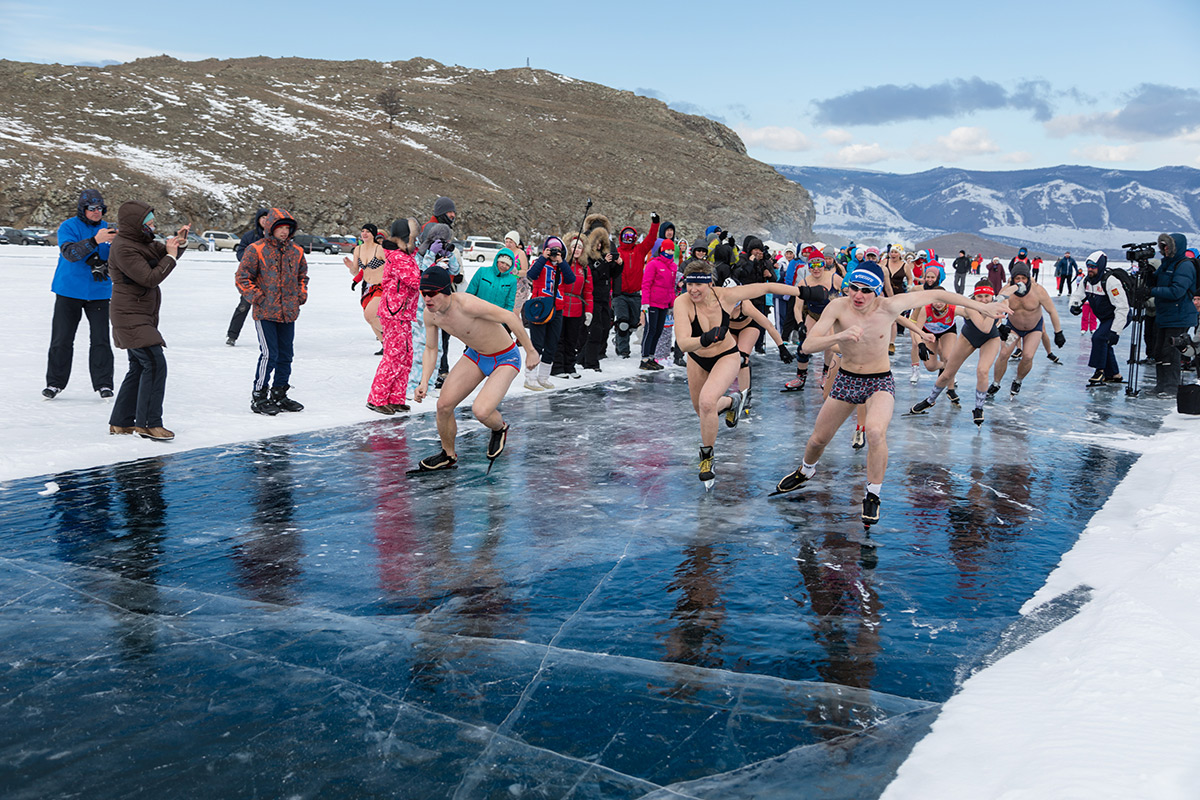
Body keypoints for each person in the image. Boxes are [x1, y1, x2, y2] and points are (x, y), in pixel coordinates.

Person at [774, 268, 1005, 526]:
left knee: (874, 432)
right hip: (847, 379)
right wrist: (839, 336)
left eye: (866, 291)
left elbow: (939, 294)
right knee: (819, 439)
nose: (858, 295)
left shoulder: (890, 305)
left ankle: (873, 494)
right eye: (853, 288)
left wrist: (981, 308)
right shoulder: (838, 307)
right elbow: (807, 345)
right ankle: (806, 470)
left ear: (877, 293)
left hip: (879, 380)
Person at [673, 261, 805, 486]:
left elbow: (767, 288)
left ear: (710, 283)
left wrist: (803, 291)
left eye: (699, 284)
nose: (693, 289)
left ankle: (707, 457)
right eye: (689, 284)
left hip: (726, 355)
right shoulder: (682, 302)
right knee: (702, 410)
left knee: (706, 403)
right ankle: (731, 402)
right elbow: (684, 344)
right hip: (697, 357)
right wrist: (704, 339)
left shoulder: (728, 296)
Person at [412, 266, 540, 471]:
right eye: (423, 293)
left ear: (446, 290)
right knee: (443, 406)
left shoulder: (467, 304)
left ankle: (500, 428)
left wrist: (531, 350)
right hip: (476, 355)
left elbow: (508, 316)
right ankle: (448, 454)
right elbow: (431, 347)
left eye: (432, 293)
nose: (427, 299)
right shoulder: (431, 315)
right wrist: (424, 381)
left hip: (505, 357)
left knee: (481, 411)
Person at [107, 202, 188, 441]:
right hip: (130, 314)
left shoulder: (141, 243)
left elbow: (162, 253)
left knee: (139, 366)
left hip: (140, 313)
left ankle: (121, 423)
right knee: (154, 364)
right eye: (150, 223)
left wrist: (177, 245)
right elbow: (150, 278)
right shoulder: (124, 248)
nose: (154, 227)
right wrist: (172, 257)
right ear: (137, 225)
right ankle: (148, 424)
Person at [235, 208, 309, 415]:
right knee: (270, 354)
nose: (284, 232)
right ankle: (259, 394)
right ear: (271, 228)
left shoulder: (297, 251)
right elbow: (242, 277)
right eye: (280, 228)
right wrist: (257, 297)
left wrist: (301, 294)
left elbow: (303, 276)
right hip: (265, 312)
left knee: (286, 354)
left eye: (288, 228)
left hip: (289, 311)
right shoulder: (256, 249)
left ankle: (279, 392)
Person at [43, 188, 116, 399]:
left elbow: (122, 257)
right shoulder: (69, 226)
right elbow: (69, 253)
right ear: (82, 209)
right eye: (92, 208)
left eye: (100, 208)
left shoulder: (109, 229)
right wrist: (95, 242)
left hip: (99, 292)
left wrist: (105, 264)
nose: (97, 212)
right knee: (62, 339)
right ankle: (55, 383)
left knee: (101, 339)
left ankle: (104, 384)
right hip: (69, 290)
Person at [909, 280, 1010, 426]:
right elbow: (983, 325)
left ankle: (978, 408)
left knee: (982, 371)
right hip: (968, 338)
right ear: (974, 297)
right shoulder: (970, 307)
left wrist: (1000, 325)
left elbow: (991, 323)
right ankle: (930, 400)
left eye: (987, 297)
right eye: (979, 296)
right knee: (948, 372)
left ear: (992, 296)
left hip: (990, 339)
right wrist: (920, 344)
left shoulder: (995, 304)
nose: (983, 300)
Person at [366, 218, 421, 415]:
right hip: (394, 312)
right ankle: (377, 398)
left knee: (406, 355)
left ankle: (395, 397)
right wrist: (434, 272)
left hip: (403, 312)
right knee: (394, 355)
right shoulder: (398, 257)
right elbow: (414, 281)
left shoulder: (405, 255)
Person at [988, 263, 1067, 397]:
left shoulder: (1038, 291)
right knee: (1004, 354)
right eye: (1017, 278)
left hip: (1033, 328)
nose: (1020, 281)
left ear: (1028, 278)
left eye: (1023, 278)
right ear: (1012, 279)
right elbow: (999, 308)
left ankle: (1018, 380)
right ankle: (996, 383)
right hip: (1013, 328)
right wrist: (1000, 326)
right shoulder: (1007, 290)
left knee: (1028, 356)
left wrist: (1058, 332)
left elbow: (1052, 311)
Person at [1142, 233, 1198, 397]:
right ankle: (1161, 386)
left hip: (1179, 315)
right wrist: (1148, 274)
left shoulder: (1185, 265)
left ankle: (1171, 387)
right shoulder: (1167, 263)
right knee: (1158, 351)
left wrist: (1151, 291)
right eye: (1163, 246)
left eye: (1167, 246)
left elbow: (1176, 291)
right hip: (1165, 314)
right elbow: (1157, 281)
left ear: (1175, 247)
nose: (1164, 249)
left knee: (1171, 351)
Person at [1069, 252, 1129, 387]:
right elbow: (1077, 295)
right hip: (1105, 318)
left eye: (1093, 266)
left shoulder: (1110, 282)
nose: (1090, 269)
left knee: (1099, 338)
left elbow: (1123, 308)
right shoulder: (1087, 281)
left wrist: (1115, 331)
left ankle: (1099, 371)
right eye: (1088, 266)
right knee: (1104, 342)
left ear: (1100, 266)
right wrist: (1074, 305)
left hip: (1118, 316)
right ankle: (1114, 374)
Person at [523, 235, 575, 390]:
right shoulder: (538, 262)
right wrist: (542, 258)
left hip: (557, 308)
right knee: (537, 344)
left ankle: (543, 377)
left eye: (557, 250)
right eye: (551, 249)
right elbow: (531, 275)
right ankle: (530, 377)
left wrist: (561, 261)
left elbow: (571, 279)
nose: (554, 252)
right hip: (540, 307)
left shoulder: (562, 265)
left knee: (552, 344)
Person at [784, 256, 840, 391]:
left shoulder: (834, 278)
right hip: (813, 315)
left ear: (823, 265)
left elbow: (849, 294)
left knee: (830, 345)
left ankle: (827, 374)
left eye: (819, 265)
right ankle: (800, 377)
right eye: (812, 266)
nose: (816, 269)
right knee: (804, 345)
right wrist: (800, 324)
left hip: (831, 316)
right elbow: (797, 307)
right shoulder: (804, 282)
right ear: (808, 267)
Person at [613, 213, 661, 357]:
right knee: (623, 323)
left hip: (635, 293)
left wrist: (655, 223)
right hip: (619, 294)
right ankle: (623, 350)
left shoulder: (639, 250)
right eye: (626, 237)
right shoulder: (617, 252)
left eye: (631, 237)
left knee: (634, 323)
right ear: (621, 238)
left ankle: (619, 338)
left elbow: (651, 239)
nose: (628, 240)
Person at [581, 214, 621, 372]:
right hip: (592, 296)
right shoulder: (588, 255)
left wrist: (618, 264)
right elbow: (592, 275)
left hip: (604, 296)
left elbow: (613, 274)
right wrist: (604, 263)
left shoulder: (606, 251)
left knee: (604, 326)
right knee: (594, 330)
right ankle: (591, 362)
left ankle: (586, 357)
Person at [554, 234, 593, 378]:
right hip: (561, 305)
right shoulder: (563, 264)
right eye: (574, 247)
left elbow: (588, 291)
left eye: (580, 247)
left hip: (576, 308)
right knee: (559, 338)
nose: (577, 250)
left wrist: (589, 311)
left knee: (572, 339)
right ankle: (557, 367)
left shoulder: (585, 269)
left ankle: (570, 366)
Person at [227, 208, 268, 346]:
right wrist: (249, 261)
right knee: (243, 306)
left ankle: (270, 338)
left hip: (269, 280)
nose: (265, 221)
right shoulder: (250, 236)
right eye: (262, 218)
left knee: (270, 309)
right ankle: (232, 335)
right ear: (258, 220)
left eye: (268, 218)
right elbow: (240, 253)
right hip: (250, 278)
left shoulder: (273, 236)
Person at [343, 223, 387, 349]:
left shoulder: (379, 249)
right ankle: (386, 345)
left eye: (368, 231)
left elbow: (392, 266)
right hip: (367, 288)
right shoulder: (358, 249)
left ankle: (395, 337)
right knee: (370, 319)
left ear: (373, 234)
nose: (364, 233)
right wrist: (351, 267)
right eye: (363, 231)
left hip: (381, 287)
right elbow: (356, 271)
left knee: (370, 315)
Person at [640, 238, 678, 370]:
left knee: (658, 331)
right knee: (650, 330)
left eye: (672, 250)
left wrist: (672, 303)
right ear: (662, 250)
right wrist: (645, 302)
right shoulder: (653, 264)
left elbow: (671, 287)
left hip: (664, 303)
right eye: (668, 249)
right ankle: (644, 359)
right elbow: (646, 284)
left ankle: (651, 357)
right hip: (652, 302)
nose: (670, 252)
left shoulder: (673, 266)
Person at [464, 247, 518, 312]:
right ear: (497, 261)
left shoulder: (512, 280)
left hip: (496, 316)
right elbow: (470, 292)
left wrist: (504, 319)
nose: (504, 266)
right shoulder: (482, 272)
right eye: (502, 262)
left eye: (507, 264)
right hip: (477, 311)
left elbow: (509, 303)